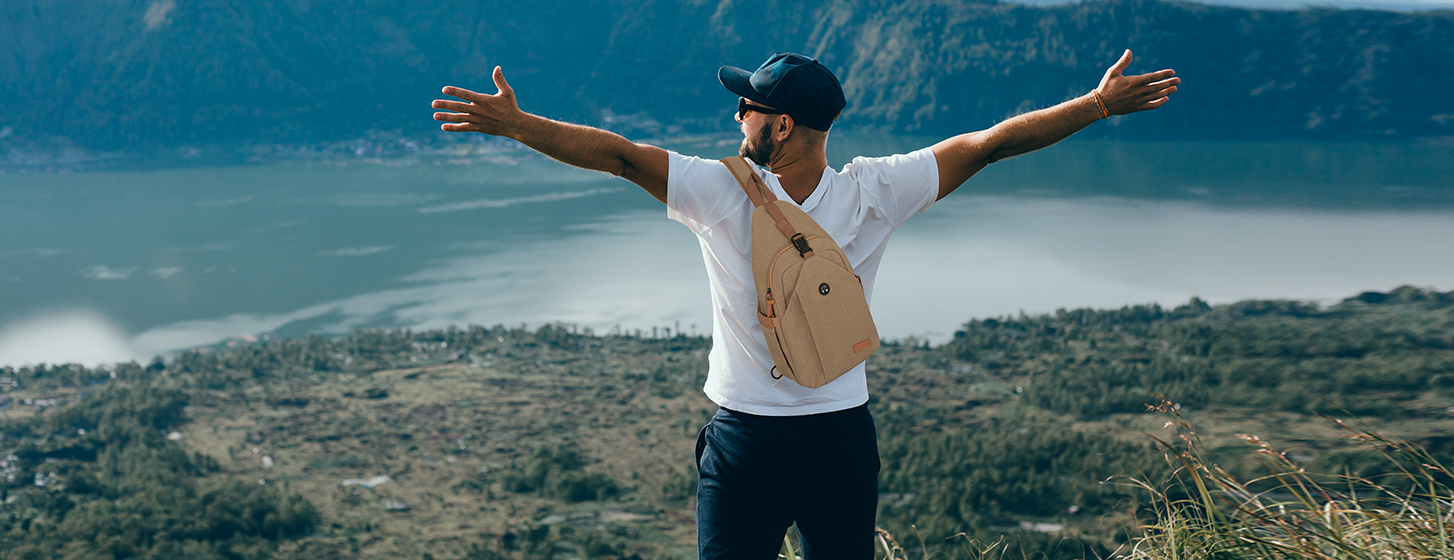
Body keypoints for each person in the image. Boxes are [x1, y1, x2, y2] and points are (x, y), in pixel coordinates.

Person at [432, 50, 1178, 559]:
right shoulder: (874, 192)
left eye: (747, 108)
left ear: (780, 125)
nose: (737, 118)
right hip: (840, 441)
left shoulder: (719, 192)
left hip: (747, 444)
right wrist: (1096, 105)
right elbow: (988, 145)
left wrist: (518, 126)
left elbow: (621, 156)